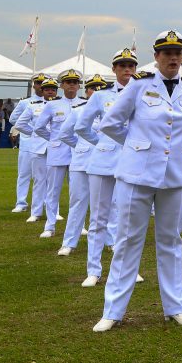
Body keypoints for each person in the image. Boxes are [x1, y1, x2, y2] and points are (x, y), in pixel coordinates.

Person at [92, 30, 182, 332]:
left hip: (176, 176)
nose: (173, 58)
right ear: (156, 56)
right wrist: (137, 144)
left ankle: (175, 307)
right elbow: (110, 124)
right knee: (128, 241)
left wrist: (180, 148)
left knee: (171, 241)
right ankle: (113, 311)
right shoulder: (138, 86)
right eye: (167, 53)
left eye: (178, 53)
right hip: (137, 175)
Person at [76, 48, 139, 287]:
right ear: (114, 70)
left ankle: (128, 269)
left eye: (131, 66)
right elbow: (82, 127)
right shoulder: (100, 96)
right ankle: (94, 269)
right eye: (122, 66)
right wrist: (101, 143)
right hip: (103, 162)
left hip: (132, 162)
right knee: (99, 219)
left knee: (129, 219)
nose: (126, 70)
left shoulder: (145, 92)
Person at [55, 74, 107, 255]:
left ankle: (111, 240)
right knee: (77, 202)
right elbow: (64, 134)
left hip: (105, 162)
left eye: (101, 88)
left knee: (108, 205)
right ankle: (69, 242)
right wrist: (79, 147)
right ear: (87, 91)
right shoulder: (78, 110)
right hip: (82, 162)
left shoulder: (113, 110)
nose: (96, 91)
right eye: (93, 88)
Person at [33, 69, 86, 239]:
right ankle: (50, 225)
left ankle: (80, 225)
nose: (72, 85)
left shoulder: (85, 104)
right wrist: (53, 140)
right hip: (57, 153)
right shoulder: (52, 105)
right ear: (61, 85)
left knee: (78, 192)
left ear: (79, 85)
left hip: (78, 152)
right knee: (52, 191)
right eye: (68, 82)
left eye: (75, 82)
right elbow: (39, 127)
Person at [9, 73, 46, 215]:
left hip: (44, 143)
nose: (41, 85)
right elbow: (13, 119)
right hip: (27, 142)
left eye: (43, 83)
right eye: (38, 82)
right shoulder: (26, 102)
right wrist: (30, 131)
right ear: (34, 85)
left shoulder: (52, 102)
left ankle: (43, 203)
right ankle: (21, 202)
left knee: (44, 176)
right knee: (24, 174)